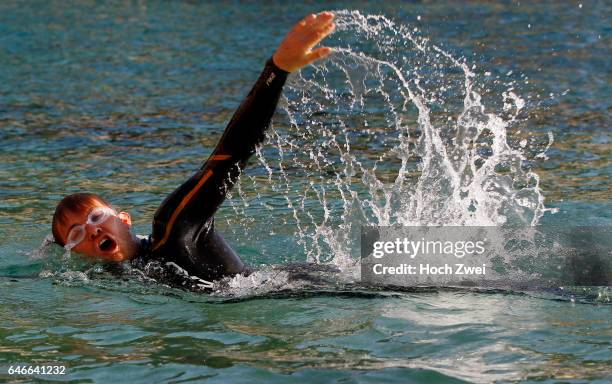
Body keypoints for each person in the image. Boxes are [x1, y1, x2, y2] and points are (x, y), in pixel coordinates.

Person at [50, 12, 336, 290]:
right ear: (76, 255)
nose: (92, 230)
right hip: (291, 300)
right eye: (76, 234)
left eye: (97, 217)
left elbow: (231, 156)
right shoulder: (119, 277)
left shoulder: (172, 226)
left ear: (124, 219)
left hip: (320, 286)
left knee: (381, 273)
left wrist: (277, 70)